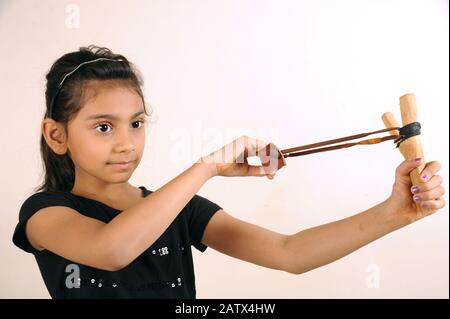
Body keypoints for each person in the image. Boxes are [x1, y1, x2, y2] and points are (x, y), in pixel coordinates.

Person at [12, 46, 446, 298]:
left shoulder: (177, 208)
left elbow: (288, 252)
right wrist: (207, 168)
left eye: (137, 123)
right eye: (103, 126)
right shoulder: (46, 213)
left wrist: (394, 213)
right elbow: (111, 250)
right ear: (57, 135)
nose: (126, 142)